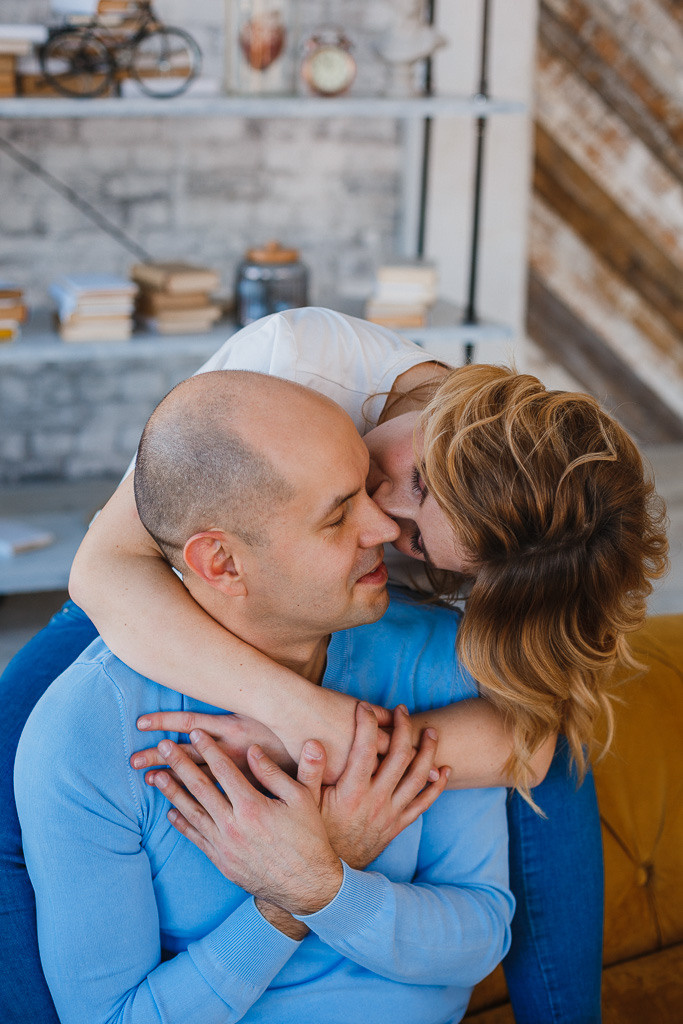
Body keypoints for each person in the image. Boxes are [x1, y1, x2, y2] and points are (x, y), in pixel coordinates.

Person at [1, 308, 666, 1023]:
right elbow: (105, 571)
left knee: (558, 761)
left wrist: (331, 813)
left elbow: (528, 742)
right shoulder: (300, 361)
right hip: (147, 581)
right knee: (30, 773)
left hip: (349, 617)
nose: (384, 521)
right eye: (417, 483)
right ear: (459, 410)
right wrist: (303, 717)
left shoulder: (469, 589)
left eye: (416, 539)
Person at [15, 371, 515, 1024]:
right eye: (338, 515)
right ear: (222, 563)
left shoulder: (436, 652)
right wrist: (292, 898)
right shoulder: (88, 732)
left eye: (365, 487)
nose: (384, 527)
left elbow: (480, 938)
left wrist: (326, 886)